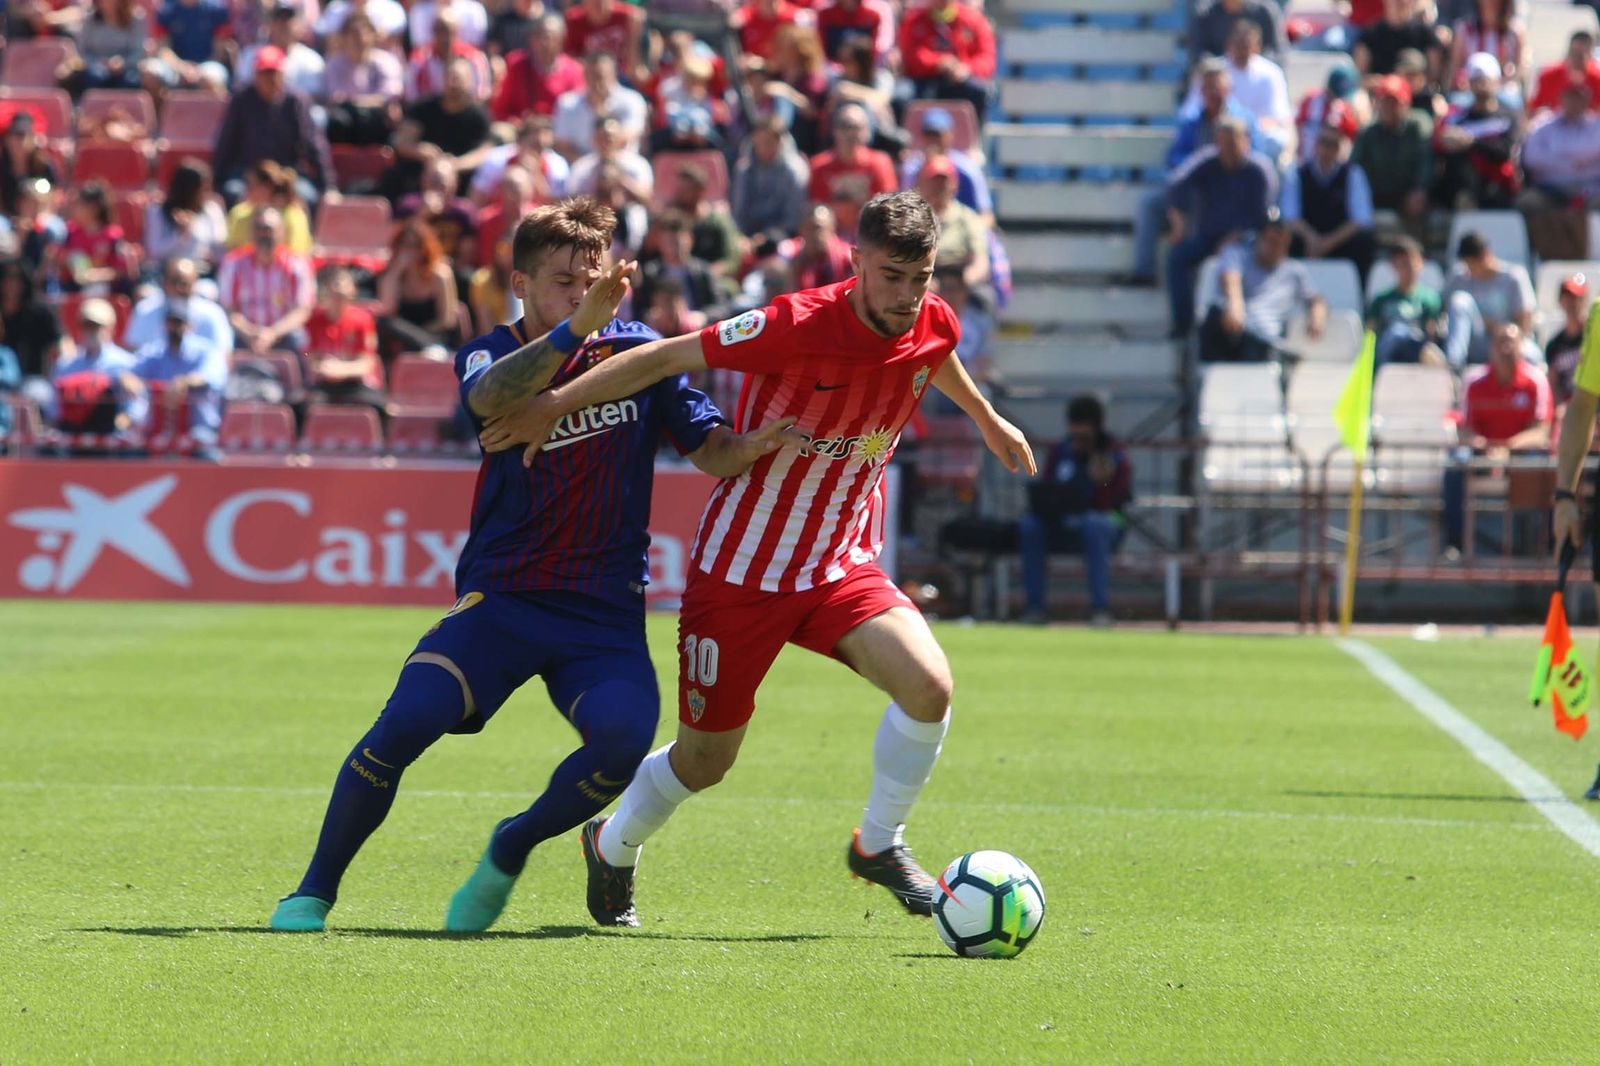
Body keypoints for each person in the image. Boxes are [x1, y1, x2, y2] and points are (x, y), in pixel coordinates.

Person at [474, 191, 1035, 925]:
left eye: (919, 278)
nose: (905, 297)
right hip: (742, 573)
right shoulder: (792, 323)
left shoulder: (931, 319)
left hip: (839, 563)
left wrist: (988, 419)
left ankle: (878, 844)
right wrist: (553, 405)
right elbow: (664, 355)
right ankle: (611, 843)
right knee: (707, 761)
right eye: (890, 277)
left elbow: (935, 352)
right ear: (857, 262)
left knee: (930, 687)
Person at [268, 197, 797, 933]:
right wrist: (576, 328)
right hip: (505, 598)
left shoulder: (641, 354)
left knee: (622, 743)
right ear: (520, 283)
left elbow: (709, 449)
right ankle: (313, 892)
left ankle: (512, 844)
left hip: (603, 614)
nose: (582, 294)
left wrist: (760, 444)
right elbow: (489, 400)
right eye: (562, 282)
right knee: (405, 723)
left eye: (592, 280)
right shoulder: (490, 353)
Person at [1020, 396, 1132, 627]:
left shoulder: (1113, 453)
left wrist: (1101, 483)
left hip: (1102, 524)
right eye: (1074, 425)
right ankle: (1034, 608)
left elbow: (1114, 501)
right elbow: (1049, 489)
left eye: (1083, 427)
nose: (1078, 434)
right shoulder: (1060, 451)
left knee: (1095, 524)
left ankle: (1100, 609)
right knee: (1029, 526)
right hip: (1061, 522)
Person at [1442, 322, 1551, 553]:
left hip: (1520, 456)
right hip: (1484, 454)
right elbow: (1465, 429)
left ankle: (1533, 546)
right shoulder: (1475, 381)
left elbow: (1541, 432)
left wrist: (1507, 449)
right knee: (1456, 463)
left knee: (1540, 464)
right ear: (1491, 347)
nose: (1506, 348)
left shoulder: (1535, 381)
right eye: (1500, 341)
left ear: (1521, 346)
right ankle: (1455, 543)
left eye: (1511, 342)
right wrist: (1484, 447)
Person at [1164, 116, 1278, 337]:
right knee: (1176, 257)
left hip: (1247, 243)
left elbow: (1263, 218)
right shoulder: (1208, 162)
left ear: (1245, 141)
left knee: (1231, 258)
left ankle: (1243, 324)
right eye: (1223, 143)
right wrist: (1178, 223)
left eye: (1233, 143)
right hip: (1209, 239)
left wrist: (1235, 237)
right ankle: (1184, 326)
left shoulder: (1259, 171)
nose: (1227, 150)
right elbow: (1175, 185)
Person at [212, 45, 337, 208]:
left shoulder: (296, 102)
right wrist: (216, 180)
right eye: (264, 73)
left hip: (287, 172)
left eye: (273, 73)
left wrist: (328, 186)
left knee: (308, 197)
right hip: (248, 171)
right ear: (255, 75)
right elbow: (226, 142)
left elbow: (313, 143)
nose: (269, 78)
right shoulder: (242, 100)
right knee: (231, 192)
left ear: (283, 75)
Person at [1199, 220, 1326, 362]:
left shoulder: (1295, 271)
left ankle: (1272, 353)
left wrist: (1317, 318)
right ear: (1259, 238)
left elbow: (1316, 299)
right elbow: (1230, 279)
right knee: (1215, 314)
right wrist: (1234, 304)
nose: (1274, 248)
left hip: (1264, 339)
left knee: (1256, 345)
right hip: (1234, 331)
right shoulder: (1238, 255)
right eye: (1270, 241)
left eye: (1281, 243)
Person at [1183, 20, 1292, 163]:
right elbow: (1190, 110)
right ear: (1228, 44)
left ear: (1257, 46)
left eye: (1247, 43)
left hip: (1253, 136)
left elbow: (1278, 117)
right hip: (1212, 133)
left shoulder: (1271, 73)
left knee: (1277, 140)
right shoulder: (1213, 70)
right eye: (1238, 43)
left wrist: (1247, 125)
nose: (1242, 48)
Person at [131, 299, 229, 459]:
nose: (175, 328)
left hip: (198, 430)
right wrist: (129, 380)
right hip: (158, 429)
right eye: (172, 322)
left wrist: (184, 382)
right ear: (165, 324)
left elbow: (212, 376)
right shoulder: (154, 352)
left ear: (190, 325)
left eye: (180, 323)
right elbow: (131, 371)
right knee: (130, 452)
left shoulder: (207, 351)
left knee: (209, 455)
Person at [389, 57, 496, 199]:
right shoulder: (424, 108)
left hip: (463, 183)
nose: (453, 83)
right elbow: (400, 142)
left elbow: (485, 152)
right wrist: (421, 151)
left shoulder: (479, 115)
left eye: (458, 79)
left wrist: (455, 165)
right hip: (418, 181)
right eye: (450, 77)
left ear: (469, 81)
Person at [1280, 126, 1376, 282]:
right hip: (1307, 240)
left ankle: (1360, 292)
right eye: (1324, 142)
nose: (1328, 148)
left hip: (1340, 240)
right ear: (1316, 145)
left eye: (1333, 144)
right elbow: (1290, 216)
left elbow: (1361, 219)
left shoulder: (1353, 173)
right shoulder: (1296, 172)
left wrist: (1328, 242)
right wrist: (1312, 239)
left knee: (1364, 242)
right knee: (1286, 239)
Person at [1517, 80, 1600, 260]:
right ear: (1561, 99)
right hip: (1550, 189)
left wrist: (1558, 157)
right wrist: (1575, 160)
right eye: (1570, 97)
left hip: (1590, 189)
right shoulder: (1543, 125)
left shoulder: (1596, 126)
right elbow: (1531, 158)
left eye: (1579, 98)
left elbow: (1593, 150)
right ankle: (1541, 256)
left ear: (1587, 100)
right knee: (1528, 202)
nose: (1574, 103)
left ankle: (1589, 256)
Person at [217, 206, 316, 354]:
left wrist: (272, 333)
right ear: (251, 232)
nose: (265, 234)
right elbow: (228, 309)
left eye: (270, 229)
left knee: (300, 340)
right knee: (223, 339)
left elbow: (302, 310)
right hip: (244, 334)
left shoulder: (297, 265)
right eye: (260, 228)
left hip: (283, 334)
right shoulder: (233, 264)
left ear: (282, 232)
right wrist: (251, 333)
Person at [1433, 52, 1523, 210]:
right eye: (1476, 80)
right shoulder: (1457, 118)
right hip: (1463, 187)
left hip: (1498, 187)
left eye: (1485, 80)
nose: (1481, 85)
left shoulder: (1508, 116)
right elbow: (1441, 145)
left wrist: (1471, 142)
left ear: (1496, 81)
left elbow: (1505, 151)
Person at [49, 297, 145, 436]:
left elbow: (138, 405)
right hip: (73, 434)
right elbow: (55, 408)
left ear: (110, 328)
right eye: (86, 325)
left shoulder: (126, 363)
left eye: (97, 326)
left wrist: (124, 420)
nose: (91, 331)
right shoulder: (65, 364)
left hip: (113, 437)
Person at [1352, 75, 1434, 233]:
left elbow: (1425, 162)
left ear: (1406, 103)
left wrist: (1419, 188)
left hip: (1406, 192)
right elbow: (1355, 167)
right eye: (1383, 101)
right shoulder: (1368, 133)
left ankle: (1413, 248)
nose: (1387, 107)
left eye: (1394, 102)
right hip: (1377, 192)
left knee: (1417, 201)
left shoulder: (1417, 126)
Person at [1442, 229, 1536, 366]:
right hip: (1475, 343)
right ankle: (1454, 363)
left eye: (1472, 264)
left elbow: (1524, 324)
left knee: (1533, 358)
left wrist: (1494, 327)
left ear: (1486, 255)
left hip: (1507, 342)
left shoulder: (1513, 277)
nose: (1469, 269)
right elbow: (1450, 314)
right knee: (1460, 300)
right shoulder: (1459, 278)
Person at [807, 101, 898, 239]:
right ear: (834, 130)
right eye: (844, 126)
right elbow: (817, 211)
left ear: (867, 132)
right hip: (830, 239)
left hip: (870, 237)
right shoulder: (819, 166)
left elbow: (887, 210)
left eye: (856, 127)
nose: (850, 133)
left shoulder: (880, 163)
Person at [305, 265, 386, 418]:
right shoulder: (314, 320)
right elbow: (309, 354)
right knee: (305, 408)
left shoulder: (363, 320)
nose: (338, 289)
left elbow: (367, 362)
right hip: (324, 382)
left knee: (378, 407)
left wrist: (341, 369)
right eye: (334, 283)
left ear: (353, 290)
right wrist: (320, 367)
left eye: (344, 283)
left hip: (354, 382)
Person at [376, 218, 462, 357]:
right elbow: (386, 308)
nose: (411, 251)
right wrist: (396, 271)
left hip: (435, 337)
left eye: (416, 246)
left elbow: (446, 320)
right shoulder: (392, 275)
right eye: (404, 245)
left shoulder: (440, 274)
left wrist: (418, 333)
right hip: (404, 339)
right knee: (384, 323)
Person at [898, 0, 996, 120]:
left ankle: (975, 137)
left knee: (981, 92)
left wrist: (965, 68)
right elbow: (911, 55)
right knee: (900, 97)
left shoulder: (974, 20)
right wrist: (938, 63)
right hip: (923, 79)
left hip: (960, 81)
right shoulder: (914, 19)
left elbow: (986, 58)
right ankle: (903, 137)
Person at [320, 11, 406, 146]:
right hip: (346, 114)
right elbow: (335, 96)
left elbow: (389, 95)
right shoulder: (333, 63)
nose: (359, 39)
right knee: (337, 120)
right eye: (353, 34)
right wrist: (360, 103)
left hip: (377, 113)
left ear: (373, 36)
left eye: (363, 33)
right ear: (343, 37)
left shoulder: (387, 61)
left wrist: (359, 102)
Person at [550, 51, 649, 160]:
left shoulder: (632, 100)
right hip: (579, 166)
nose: (597, 82)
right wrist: (588, 167)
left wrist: (601, 110)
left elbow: (629, 136)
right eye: (592, 75)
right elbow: (562, 145)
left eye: (601, 76)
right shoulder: (567, 103)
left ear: (614, 73)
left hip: (623, 165)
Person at [1366, 237, 1449, 367]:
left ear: (1421, 263)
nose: (1410, 268)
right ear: (1394, 265)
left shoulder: (1430, 299)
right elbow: (1371, 333)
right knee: (1395, 333)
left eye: (1413, 263)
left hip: (1418, 347)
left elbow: (1431, 334)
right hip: (1389, 350)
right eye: (1404, 264)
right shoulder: (1381, 300)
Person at [125, 256, 234, 353]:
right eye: (174, 282)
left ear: (194, 284)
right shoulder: (146, 310)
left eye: (185, 284)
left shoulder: (212, 313)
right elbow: (134, 350)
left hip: (198, 375)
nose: (179, 288)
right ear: (164, 283)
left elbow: (223, 355)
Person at [731, 113, 811, 245]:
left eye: (768, 142)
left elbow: (793, 218)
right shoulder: (743, 169)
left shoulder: (795, 170)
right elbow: (739, 213)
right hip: (747, 237)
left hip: (782, 237)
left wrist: (766, 237)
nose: (763, 148)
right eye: (759, 142)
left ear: (779, 141)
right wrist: (742, 238)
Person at [491, 11, 583, 123]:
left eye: (548, 37)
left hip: (560, 132)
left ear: (561, 40)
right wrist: (518, 122)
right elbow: (501, 109)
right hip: (523, 131)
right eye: (538, 36)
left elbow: (577, 112)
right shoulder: (516, 64)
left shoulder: (574, 70)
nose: (543, 42)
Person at [144, 159, 227, 272]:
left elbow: (219, 248)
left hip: (202, 274)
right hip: (164, 274)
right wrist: (180, 235)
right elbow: (155, 250)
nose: (208, 194)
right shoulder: (157, 211)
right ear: (188, 190)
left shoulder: (212, 210)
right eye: (203, 189)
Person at [404, 7, 491, 103]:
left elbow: (482, 94)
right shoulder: (419, 59)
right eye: (440, 30)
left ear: (457, 31)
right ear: (433, 31)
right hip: (429, 113)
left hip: (466, 111)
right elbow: (411, 95)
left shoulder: (474, 57)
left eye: (449, 31)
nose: (445, 37)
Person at [1355, 0, 1441, 77]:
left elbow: (1433, 75)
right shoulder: (1370, 34)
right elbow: (1360, 75)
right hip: (1380, 92)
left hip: (1417, 92)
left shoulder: (1425, 33)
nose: (1399, 2)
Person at [562, 0, 644, 81]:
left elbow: (635, 68)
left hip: (622, 75)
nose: (599, 5)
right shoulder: (573, 21)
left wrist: (634, 35)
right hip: (589, 77)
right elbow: (570, 59)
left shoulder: (628, 17)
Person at [1189, 0, 1288, 66]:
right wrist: (1221, 67)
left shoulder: (1265, 12)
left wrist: (1251, 64)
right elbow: (1197, 52)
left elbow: (1278, 51)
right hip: (1218, 84)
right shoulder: (1207, 13)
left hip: (1258, 80)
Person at [1529, 31, 1600, 117]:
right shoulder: (1549, 75)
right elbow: (1534, 109)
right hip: (1554, 126)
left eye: (1582, 54)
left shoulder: (1596, 78)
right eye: (1574, 52)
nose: (1578, 58)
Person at [1546, 274, 1591, 408]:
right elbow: (1553, 384)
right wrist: (1560, 408)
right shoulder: (1554, 345)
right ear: (1560, 301)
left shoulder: (1594, 338)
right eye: (1568, 297)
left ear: (1584, 301)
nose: (1572, 303)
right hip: (1568, 407)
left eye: (1577, 298)